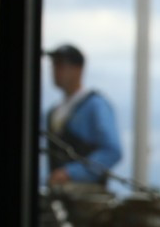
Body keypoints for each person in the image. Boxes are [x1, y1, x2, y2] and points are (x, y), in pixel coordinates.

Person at [44, 44, 122, 187]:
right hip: (57, 193)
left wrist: (71, 173)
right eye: (54, 65)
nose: (55, 71)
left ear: (78, 69)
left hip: (87, 197)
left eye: (61, 65)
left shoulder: (95, 105)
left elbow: (112, 151)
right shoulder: (53, 111)